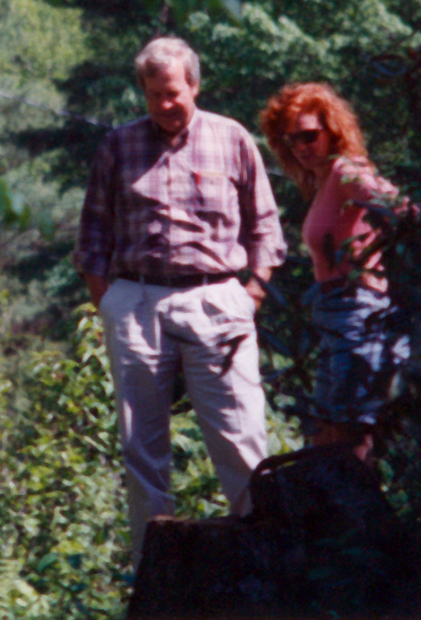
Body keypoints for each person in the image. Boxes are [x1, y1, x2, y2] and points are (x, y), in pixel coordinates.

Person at [74, 36, 287, 565]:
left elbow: (266, 226)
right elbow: (92, 237)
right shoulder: (119, 145)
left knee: (241, 438)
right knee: (141, 449)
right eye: (152, 95)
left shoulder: (232, 139)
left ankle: (263, 566)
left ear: (193, 85)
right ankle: (157, 576)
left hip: (217, 299)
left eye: (172, 92)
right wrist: (111, 303)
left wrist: (251, 292)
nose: (164, 105)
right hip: (138, 303)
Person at [260, 82, 410, 463]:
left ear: (334, 130)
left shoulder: (347, 170)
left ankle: (359, 521)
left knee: (350, 436)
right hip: (334, 312)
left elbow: (399, 208)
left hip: (358, 310)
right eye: (291, 141)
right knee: (327, 436)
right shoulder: (325, 181)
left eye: (310, 135)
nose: (301, 147)